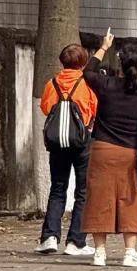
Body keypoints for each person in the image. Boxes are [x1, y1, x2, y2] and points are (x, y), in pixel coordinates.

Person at [81, 29, 137, 267]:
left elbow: (87, 72)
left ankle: (99, 253)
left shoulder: (106, 84)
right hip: (133, 153)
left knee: (99, 198)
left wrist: (104, 46)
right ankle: (130, 253)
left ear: (119, 63)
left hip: (103, 150)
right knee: (132, 199)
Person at [38, 43, 97, 256]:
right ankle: (76, 241)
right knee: (82, 191)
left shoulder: (51, 83)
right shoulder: (86, 83)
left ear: (62, 61)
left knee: (58, 188)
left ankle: (49, 237)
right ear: (82, 62)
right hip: (81, 142)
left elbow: (45, 107)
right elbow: (93, 109)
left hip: (57, 143)